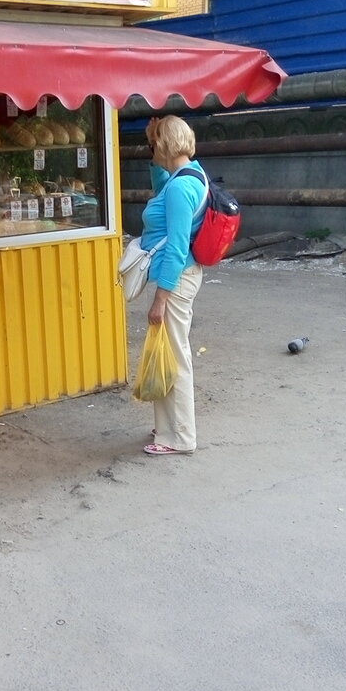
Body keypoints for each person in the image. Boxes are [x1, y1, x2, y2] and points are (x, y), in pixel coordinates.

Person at [140, 115, 208, 456]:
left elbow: (178, 247)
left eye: (154, 143)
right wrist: (153, 142)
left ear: (164, 145)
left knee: (176, 359)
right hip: (182, 277)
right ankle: (167, 428)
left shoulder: (180, 188)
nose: (151, 149)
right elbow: (162, 189)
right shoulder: (189, 175)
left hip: (177, 281)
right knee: (168, 354)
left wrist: (160, 298)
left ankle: (180, 437)